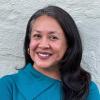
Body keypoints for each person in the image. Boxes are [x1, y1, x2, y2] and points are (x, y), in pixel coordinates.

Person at [0, 5, 100, 100]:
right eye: (37, 36)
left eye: (53, 37)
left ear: (69, 45)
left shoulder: (86, 90)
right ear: (28, 44)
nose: (43, 45)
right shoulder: (7, 86)